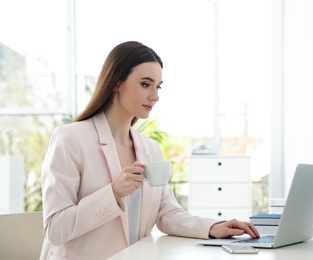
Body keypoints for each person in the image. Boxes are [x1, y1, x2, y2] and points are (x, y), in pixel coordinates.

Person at [39, 41, 259, 260]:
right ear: (116, 82)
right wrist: (113, 192)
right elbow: (56, 228)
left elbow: (168, 214)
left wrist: (215, 227)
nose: (155, 96)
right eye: (146, 84)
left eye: (158, 86)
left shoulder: (150, 149)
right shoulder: (70, 138)